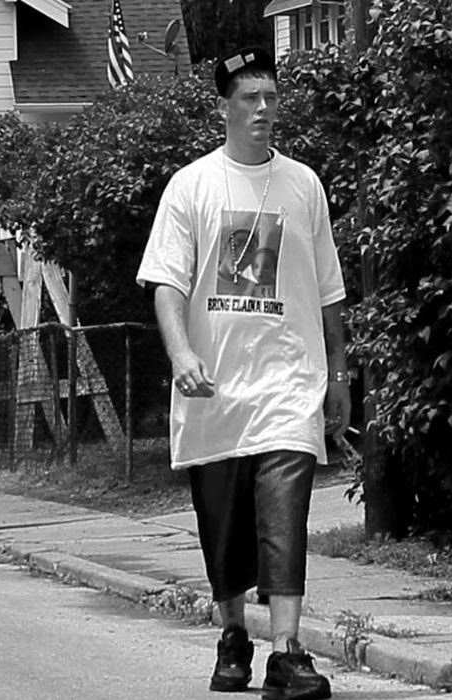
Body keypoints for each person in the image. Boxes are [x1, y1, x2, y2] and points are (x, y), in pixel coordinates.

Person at [136, 46, 349, 700]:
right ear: (223, 106)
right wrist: (182, 353)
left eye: (270, 97)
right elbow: (167, 288)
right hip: (214, 394)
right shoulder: (192, 186)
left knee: (285, 515)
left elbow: (330, 292)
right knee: (222, 527)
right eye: (249, 98)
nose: (262, 109)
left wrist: (338, 374)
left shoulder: (303, 185)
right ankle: (233, 634)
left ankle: (287, 652)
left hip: (288, 384)